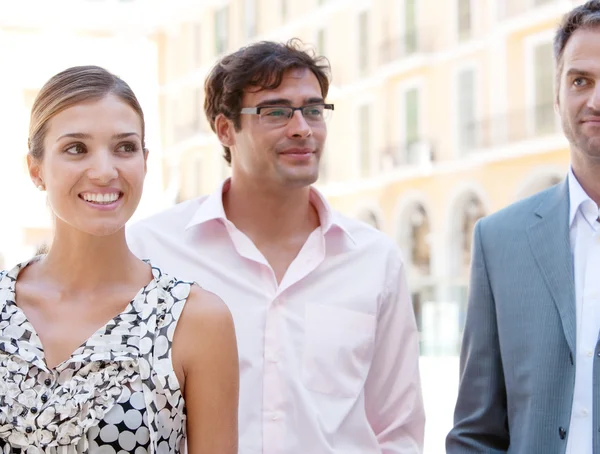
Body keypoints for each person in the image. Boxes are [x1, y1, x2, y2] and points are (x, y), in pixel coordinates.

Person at [127, 39, 425, 453]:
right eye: (277, 111)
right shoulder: (150, 251)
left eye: (314, 110)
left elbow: (398, 427)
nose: (302, 127)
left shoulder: (374, 259)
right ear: (225, 128)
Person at [0, 66, 239, 453]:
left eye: (125, 148)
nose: (104, 171)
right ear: (36, 169)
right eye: (76, 148)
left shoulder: (195, 320)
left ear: (144, 162)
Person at [446, 2, 600, 453]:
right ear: (557, 97)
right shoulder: (499, 241)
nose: (595, 100)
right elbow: (475, 432)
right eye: (580, 81)